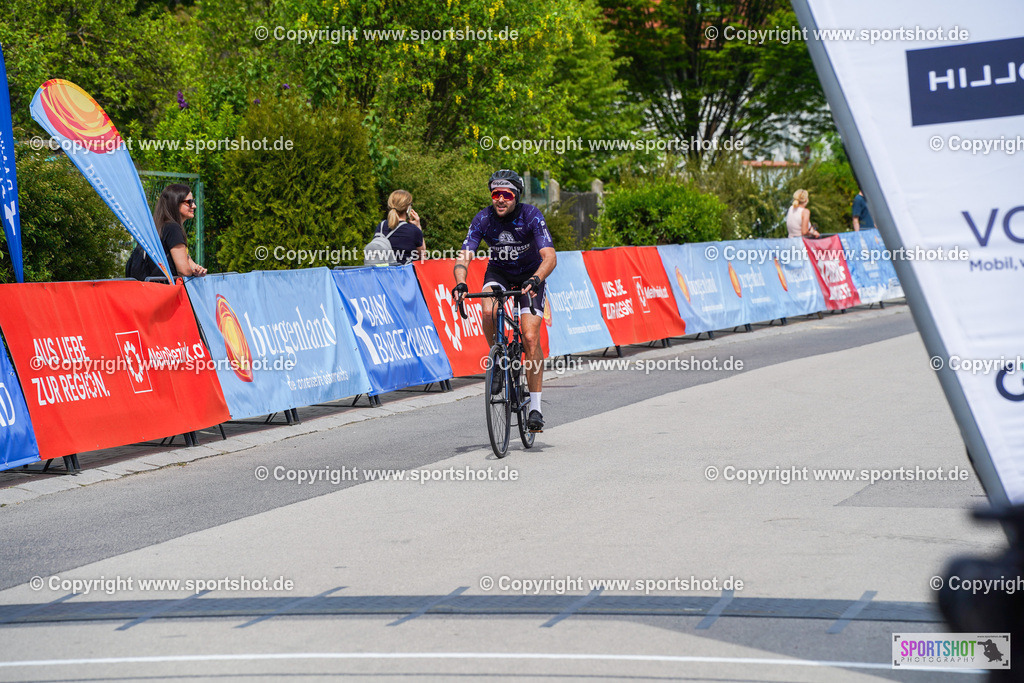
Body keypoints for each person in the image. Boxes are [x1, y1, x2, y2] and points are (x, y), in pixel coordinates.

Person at [451, 169, 556, 433]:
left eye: (506, 195)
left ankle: (535, 408)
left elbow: (550, 256)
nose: (499, 199)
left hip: (530, 275)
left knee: (531, 338)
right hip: (499, 272)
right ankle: (499, 359)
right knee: (488, 310)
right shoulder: (483, 218)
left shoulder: (531, 215)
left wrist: (535, 279)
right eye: (495, 194)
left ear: (516, 196)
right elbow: (464, 257)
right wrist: (460, 283)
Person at [152, 183, 207, 279]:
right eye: (189, 202)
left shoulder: (162, 226)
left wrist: (197, 269)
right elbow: (184, 270)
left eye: (193, 201)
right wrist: (192, 272)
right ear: (175, 202)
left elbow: (188, 262)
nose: (194, 206)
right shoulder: (172, 228)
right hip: (165, 290)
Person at [374, 190, 426, 265]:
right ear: (408, 208)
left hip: (383, 274)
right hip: (403, 275)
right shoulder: (414, 231)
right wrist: (418, 227)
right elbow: (422, 256)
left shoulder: (381, 226)